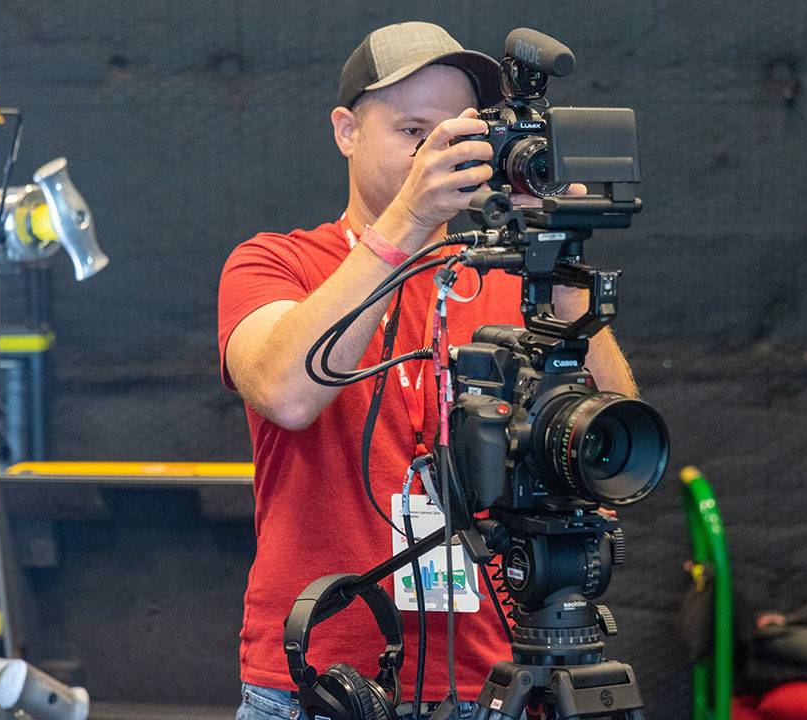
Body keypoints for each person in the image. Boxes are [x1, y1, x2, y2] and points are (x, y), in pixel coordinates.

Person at [217, 21, 639, 720]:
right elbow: (286, 392)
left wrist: (560, 257)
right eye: (415, 132)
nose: (435, 155)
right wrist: (409, 219)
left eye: (458, 134)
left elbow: (614, 448)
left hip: (495, 679)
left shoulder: (511, 281)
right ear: (347, 131)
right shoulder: (277, 263)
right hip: (323, 683)